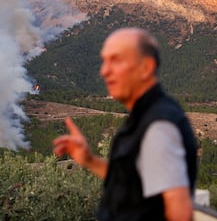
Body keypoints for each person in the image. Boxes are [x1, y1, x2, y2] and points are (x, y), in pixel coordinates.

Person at [53, 27, 197, 221]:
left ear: (146, 67)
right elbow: (131, 182)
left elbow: (180, 212)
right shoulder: (144, 117)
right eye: (104, 61)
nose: (104, 71)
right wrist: (89, 160)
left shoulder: (159, 127)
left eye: (116, 60)